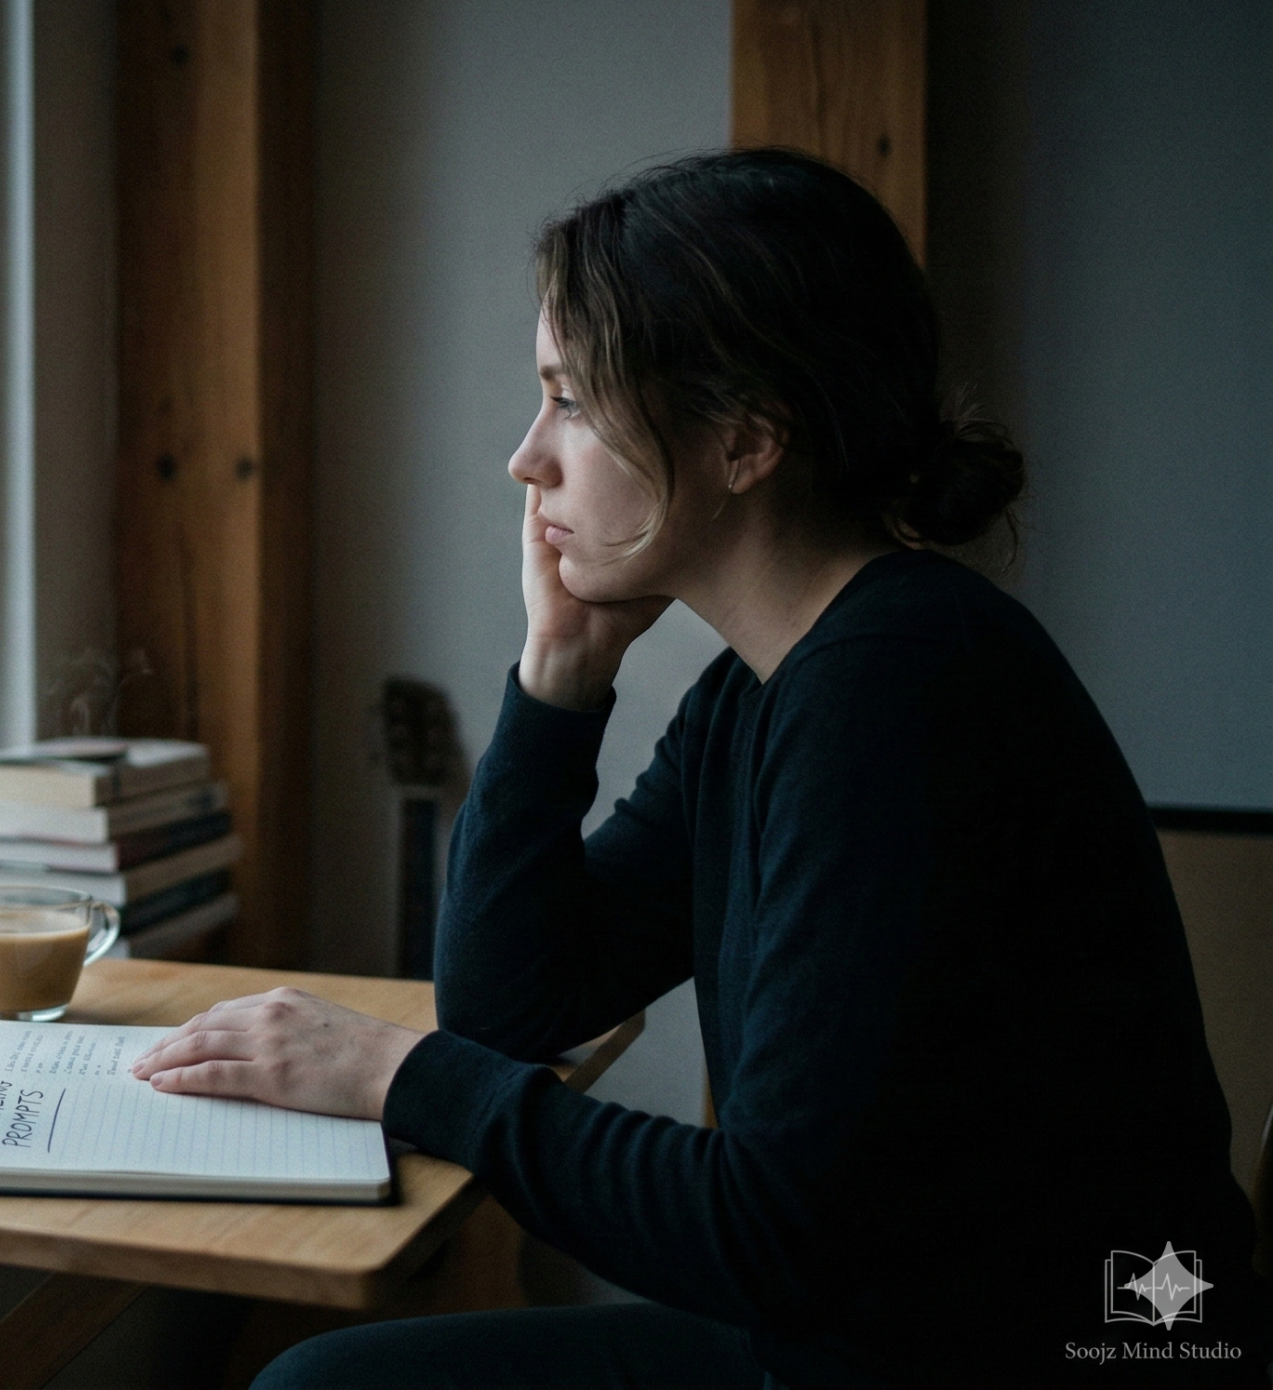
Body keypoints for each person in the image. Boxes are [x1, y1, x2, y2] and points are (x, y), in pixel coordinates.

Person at [127, 149, 1271, 1387]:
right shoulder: (767, 688)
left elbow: (768, 1230)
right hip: (854, 1336)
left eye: (570, 399)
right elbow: (515, 1002)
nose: (526, 457)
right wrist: (557, 678)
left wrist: (395, 1074)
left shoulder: (897, 693)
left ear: (745, 439)